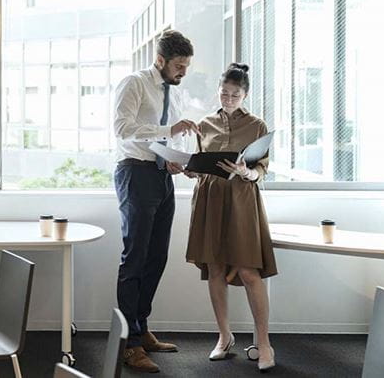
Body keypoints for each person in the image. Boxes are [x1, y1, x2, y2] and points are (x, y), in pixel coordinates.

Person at [113, 29, 201, 373]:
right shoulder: (134, 83)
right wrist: (169, 131)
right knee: (134, 257)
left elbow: (163, 138)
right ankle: (129, 343)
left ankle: (141, 328)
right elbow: (123, 128)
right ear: (161, 60)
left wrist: (177, 161)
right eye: (179, 65)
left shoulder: (173, 92)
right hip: (135, 174)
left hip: (162, 176)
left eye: (187, 66)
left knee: (157, 257)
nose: (183, 72)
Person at [184, 63, 277, 372]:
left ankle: (264, 343)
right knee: (215, 270)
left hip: (241, 201)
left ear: (245, 94)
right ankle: (224, 336)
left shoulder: (257, 125)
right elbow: (198, 166)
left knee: (250, 273)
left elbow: (260, 170)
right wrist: (190, 169)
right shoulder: (204, 123)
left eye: (235, 95)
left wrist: (246, 171)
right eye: (224, 93)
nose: (228, 99)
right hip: (209, 199)